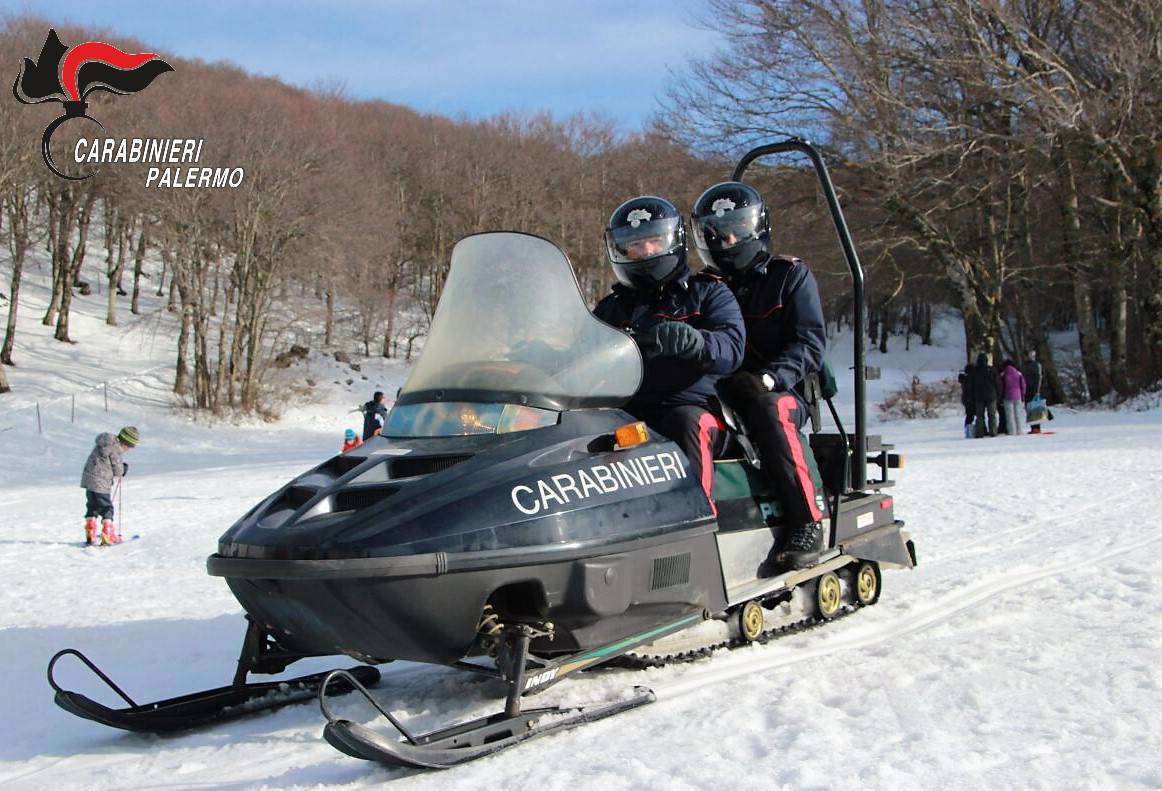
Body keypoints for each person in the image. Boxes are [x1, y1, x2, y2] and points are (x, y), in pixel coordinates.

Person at [690, 182, 827, 571]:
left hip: (781, 388)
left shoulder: (789, 276)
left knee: (769, 411)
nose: (727, 240)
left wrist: (768, 378)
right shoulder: (703, 287)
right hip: (720, 392)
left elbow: (809, 343)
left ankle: (806, 522)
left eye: (735, 228)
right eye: (717, 232)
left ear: (755, 228)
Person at [593, 195, 745, 506]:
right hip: (628, 409)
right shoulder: (611, 307)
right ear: (619, 250)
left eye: (653, 241)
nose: (645, 251)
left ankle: (698, 517)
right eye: (634, 244)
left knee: (685, 422)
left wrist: (697, 343)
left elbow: (732, 346)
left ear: (672, 241)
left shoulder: (708, 293)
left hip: (697, 409)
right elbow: (581, 351)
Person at [80, 426, 139, 545]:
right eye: (130, 447)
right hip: (101, 483)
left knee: (92, 505)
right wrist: (123, 469)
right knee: (107, 508)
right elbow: (118, 470)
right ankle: (107, 532)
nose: (128, 450)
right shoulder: (115, 449)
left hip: (88, 479)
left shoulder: (103, 443)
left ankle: (90, 530)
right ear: (126, 443)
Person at [967, 353, 999, 437]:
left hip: (979, 396)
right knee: (992, 415)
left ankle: (979, 432)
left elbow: (971, 385)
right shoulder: (991, 370)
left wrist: (971, 396)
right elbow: (997, 383)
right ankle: (993, 432)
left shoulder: (975, 371)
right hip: (991, 395)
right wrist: (998, 393)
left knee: (980, 416)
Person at [999, 359, 1027, 436]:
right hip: (1018, 396)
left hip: (1007, 396)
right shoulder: (1019, 374)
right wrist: (1023, 395)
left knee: (1009, 416)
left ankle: (1012, 432)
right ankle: (1019, 430)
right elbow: (1023, 386)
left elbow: (1001, 387)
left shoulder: (1003, 374)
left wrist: (1001, 397)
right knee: (1017, 415)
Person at [1022, 351, 1044, 433]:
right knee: (1029, 409)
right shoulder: (1024, 365)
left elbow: (1038, 378)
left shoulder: (1035, 365)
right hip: (1026, 390)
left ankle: (1036, 427)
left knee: (1035, 408)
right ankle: (1033, 427)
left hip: (1033, 390)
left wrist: (1037, 390)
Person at [958, 367, 974, 438]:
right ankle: (969, 431)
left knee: (969, 415)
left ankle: (967, 430)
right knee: (971, 415)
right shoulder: (970, 379)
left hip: (965, 399)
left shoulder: (964, 379)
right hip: (970, 399)